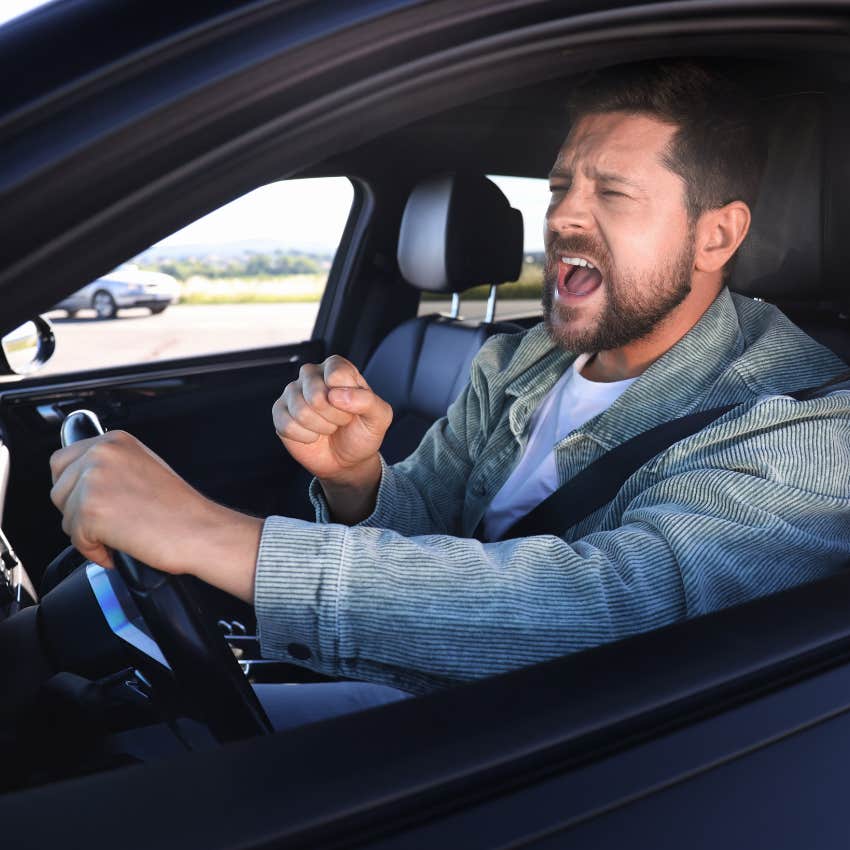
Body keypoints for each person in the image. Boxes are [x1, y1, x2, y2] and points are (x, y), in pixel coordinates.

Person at [49, 61, 850, 724]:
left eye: (611, 193)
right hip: (422, 692)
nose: (564, 217)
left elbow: (606, 613)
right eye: (559, 187)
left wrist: (215, 538)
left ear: (717, 235)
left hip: (550, 753)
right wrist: (356, 481)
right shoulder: (522, 359)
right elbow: (431, 527)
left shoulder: (807, 421)